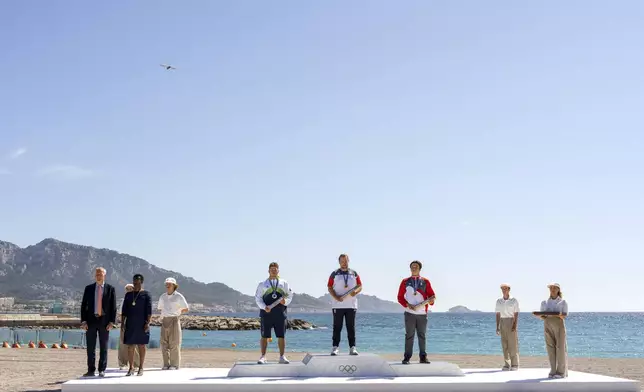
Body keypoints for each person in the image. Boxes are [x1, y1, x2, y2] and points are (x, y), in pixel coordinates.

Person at [80, 267, 116, 377]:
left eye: (100, 274)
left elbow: (113, 307)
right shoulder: (89, 288)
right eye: (96, 274)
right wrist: (83, 321)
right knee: (90, 347)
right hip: (90, 321)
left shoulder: (110, 289)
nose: (98, 276)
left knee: (103, 347)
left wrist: (112, 322)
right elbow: (83, 305)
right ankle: (91, 370)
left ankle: (102, 369)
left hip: (104, 322)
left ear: (104, 275)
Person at [397, 260, 435, 364]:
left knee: (422, 335)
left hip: (422, 313)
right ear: (410, 268)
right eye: (412, 266)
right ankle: (407, 357)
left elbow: (432, 296)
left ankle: (423, 357)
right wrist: (407, 305)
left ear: (420, 268)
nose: (414, 268)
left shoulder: (425, 281)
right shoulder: (405, 281)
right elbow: (400, 297)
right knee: (409, 335)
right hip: (409, 313)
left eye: (416, 266)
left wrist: (431, 301)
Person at [255, 262, 293, 364]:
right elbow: (258, 299)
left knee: (281, 336)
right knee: (264, 336)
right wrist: (264, 307)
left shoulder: (284, 283)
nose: (273, 270)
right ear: (268, 271)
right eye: (271, 269)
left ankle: (282, 357)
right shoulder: (262, 284)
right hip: (266, 313)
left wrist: (285, 301)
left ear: (278, 270)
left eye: (275, 269)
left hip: (280, 313)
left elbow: (290, 295)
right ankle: (263, 356)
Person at [327, 253, 362, 356]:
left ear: (348, 261)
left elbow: (360, 285)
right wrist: (335, 297)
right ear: (339, 262)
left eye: (346, 261)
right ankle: (335, 347)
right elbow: (329, 287)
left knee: (351, 327)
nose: (344, 263)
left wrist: (356, 292)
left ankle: (352, 347)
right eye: (342, 261)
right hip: (338, 305)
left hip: (351, 305)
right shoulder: (334, 273)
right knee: (337, 327)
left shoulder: (354, 273)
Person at [534, 282, 568, 379]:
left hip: (559, 324)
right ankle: (553, 370)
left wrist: (556, 314)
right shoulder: (545, 302)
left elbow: (564, 315)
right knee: (550, 348)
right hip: (547, 324)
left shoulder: (563, 302)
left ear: (558, 290)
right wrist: (539, 315)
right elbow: (542, 316)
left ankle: (561, 372)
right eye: (551, 288)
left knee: (560, 348)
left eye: (554, 288)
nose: (552, 289)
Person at [121, 273, 152, 376]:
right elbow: (124, 310)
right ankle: (131, 368)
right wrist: (122, 323)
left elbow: (149, 310)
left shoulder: (146, 294)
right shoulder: (128, 295)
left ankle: (141, 367)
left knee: (141, 345)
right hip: (130, 322)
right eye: (134, 282)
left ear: (141, 282)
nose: (136, 284)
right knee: (130, 345)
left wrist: (147, 323)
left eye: (138, 282)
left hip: (142, 323)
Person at [158, 277, 189, 370]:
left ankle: (174, 365)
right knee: (164, 343)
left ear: (174, 285)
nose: (167, 285)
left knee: (174, 343)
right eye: (166, 284)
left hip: (174, 319)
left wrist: (178, 312)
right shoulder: (163, 296)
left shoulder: (179, 296)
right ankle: (166, 364)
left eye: (169, 284)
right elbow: (160, 308)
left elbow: (186, 308)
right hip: (164, 319)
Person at [495, 283, 520, 371]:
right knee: (504, 344)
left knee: (512, 344)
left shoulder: (514, 300)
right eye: (502, 289)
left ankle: (515, 364)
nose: (503, 290)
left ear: (509, 289)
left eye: (505, 288)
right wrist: (497, 326)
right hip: (502, 321)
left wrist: (514, 325)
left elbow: (516, 313)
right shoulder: (499, 301)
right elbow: (498, 314)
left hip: (511, 321)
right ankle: (507, 364)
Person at [118, 284, 140, 370]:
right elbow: (120, 313)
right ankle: (122, 363)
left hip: (135, 323)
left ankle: (136, 364)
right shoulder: (124, 300)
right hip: (126, 322)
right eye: (127, 289)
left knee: (135, 344)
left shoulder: (138, 299)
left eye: (131, 288)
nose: (129, 290)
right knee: (123, 344)